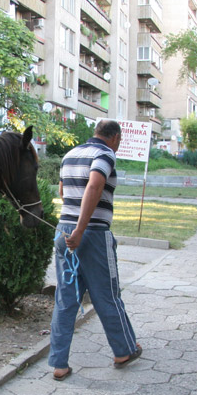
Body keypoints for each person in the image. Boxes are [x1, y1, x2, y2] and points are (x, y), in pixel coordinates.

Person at [48, 119, 141, 381]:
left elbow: (63, 190)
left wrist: (71, 227)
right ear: (115, 138)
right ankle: (123, 351)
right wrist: (80, 230)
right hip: (92, 234)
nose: (119, 146)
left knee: (66, 299)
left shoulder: (71, 154)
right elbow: (95, 185)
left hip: (63, 230)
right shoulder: (104, 154)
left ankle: (59, 364)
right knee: (107, 294)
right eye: (119, 142)